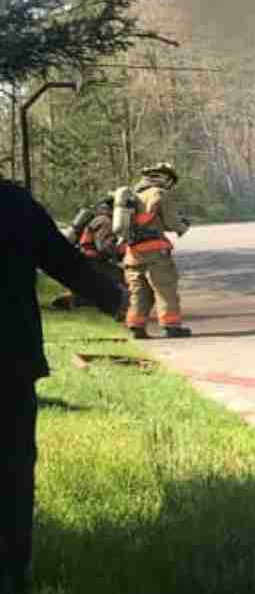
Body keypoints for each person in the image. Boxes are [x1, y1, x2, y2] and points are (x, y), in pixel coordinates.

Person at [1, 180, 124, 594]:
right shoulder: (13, 203)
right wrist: (112, 296)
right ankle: (11, 574)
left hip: (12, 362)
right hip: (9, 363)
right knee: (12, 473)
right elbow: (64, 261)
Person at [123, 162, 191, 340]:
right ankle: (172, 326)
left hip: (132, 254)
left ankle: (136, 327)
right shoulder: (159, 193)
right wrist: (183, 227)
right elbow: (170, 222)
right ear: (166, 179)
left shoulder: (134, 195)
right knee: (165, 288)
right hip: (155, 253)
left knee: (139, 292)